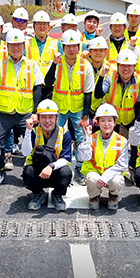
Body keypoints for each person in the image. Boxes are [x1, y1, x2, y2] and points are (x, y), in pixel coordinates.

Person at [0, 29, 44, 180]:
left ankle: (33, 173)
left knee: (36, 142)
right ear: (7, 46)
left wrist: (36, 112)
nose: (16, 48)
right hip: (4, 113)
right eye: (13, 45)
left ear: (24, 46)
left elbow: (37, 89)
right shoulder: (0, 63)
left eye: (19, 45)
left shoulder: (32, 65)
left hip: (25, 113)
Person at [44, 30, 95, 184]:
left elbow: (88, 93)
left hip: (78, 107)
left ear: (79, 47)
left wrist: (85, 116)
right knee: (54, 136)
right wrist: (53, 63)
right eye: (68, 46)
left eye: (75, 46)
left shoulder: (85, 65)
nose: (71, 49)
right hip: (59, 108)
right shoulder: (56, 64)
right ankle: (53, 165)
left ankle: (80, 168)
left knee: (81, 137)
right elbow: (47, 82)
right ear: (63, 47)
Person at [22, 100, 73, 211]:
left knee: (66, 172)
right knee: (28, 171)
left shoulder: (64, 133)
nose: (47, 121)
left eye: (51, 117)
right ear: (38, 119)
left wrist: (51, 166)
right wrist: (27, 131)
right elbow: (25, 152)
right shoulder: (34, 132)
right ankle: (38, 194)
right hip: (38, 172)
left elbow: (66, 159)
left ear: (56, 119)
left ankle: (57, 195)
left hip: (56, 172)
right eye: (44, 117)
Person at [78, 104, 129, 210]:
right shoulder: (92, 138)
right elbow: (83, 157)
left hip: (112, 174)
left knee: (117, 180)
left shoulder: (121, 141)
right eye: (103, 120)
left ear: (115, 123)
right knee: (92, 179)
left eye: (110, 120)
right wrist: (86, 137)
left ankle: (113, 196)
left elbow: (122, 165)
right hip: (95, 172)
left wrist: (106, 177)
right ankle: (94, 196)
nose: (106, 124)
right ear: (98, 122)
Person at [94, 49, 140, 139]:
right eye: (122, 65)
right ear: (118, 66)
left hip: (129, 120)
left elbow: (139, 105)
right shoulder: (110, 77)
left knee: (133, 146)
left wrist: (136, 126)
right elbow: (98, 94)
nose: (126, 69)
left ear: (134, 66)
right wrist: (101, 76)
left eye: (129, 66)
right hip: (112, 120)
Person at [27, 10, 59, 75]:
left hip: (50, 83)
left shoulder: (56, 43)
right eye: (39, 23)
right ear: (33, 26)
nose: (42, 26)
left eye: (44, 24)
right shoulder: (26, 44)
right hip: (31, 83)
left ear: (48, 26)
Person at [86, 37, 111, 118]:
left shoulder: (112, 69)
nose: (98, 53)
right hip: (85, 108)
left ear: (105, 52)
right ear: (90, 52)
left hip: (104, 110)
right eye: (95, 50)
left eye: (101, 50)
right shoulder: (83, 67)